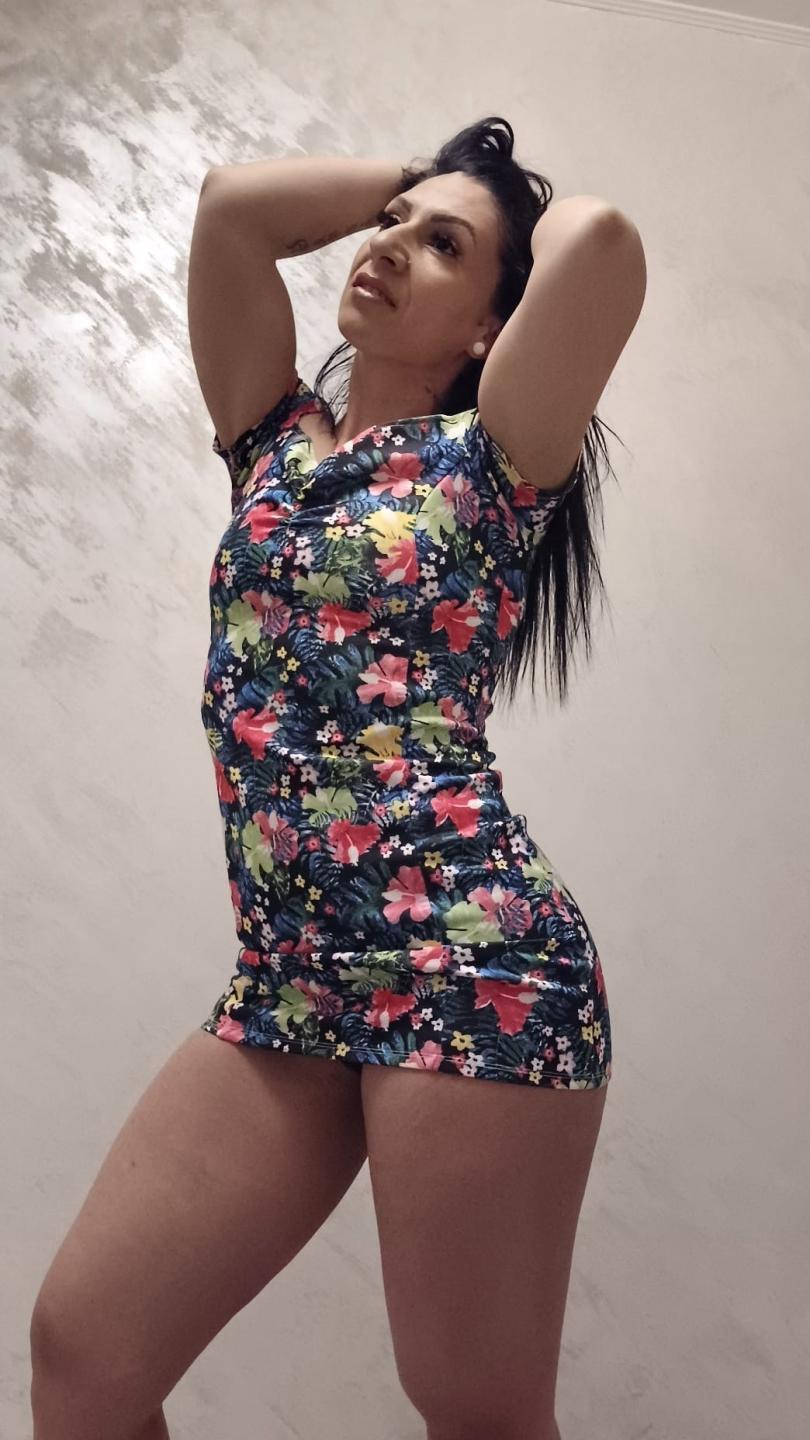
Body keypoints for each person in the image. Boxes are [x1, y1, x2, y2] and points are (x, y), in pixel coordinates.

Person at [30, 116, 646, 1440]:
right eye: (389, 227)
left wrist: (484, 184)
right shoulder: (269, 443)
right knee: (83, 1356)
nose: (392, 246)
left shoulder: (494, 465)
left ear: (492, 330)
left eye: (443, 249)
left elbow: (597, 239)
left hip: (465, 961)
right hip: (291, 976)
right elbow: (230, 210)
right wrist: (419, 195)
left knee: (471, 1406)